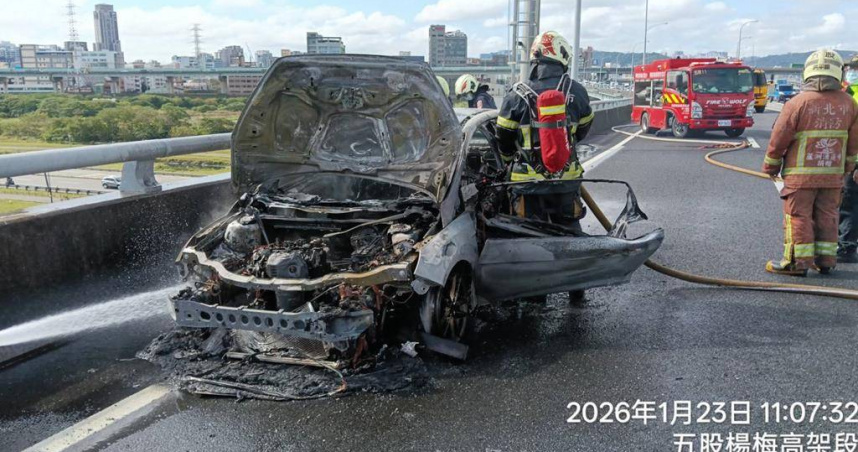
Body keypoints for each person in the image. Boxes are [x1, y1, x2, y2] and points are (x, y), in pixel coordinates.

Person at [494, 30, 594, 301]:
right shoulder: (577, 90)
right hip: (565, 180)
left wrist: (507, 162)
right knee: (571, 233)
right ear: (561, 56)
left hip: (526, 184)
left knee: (529, 239)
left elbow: (502, 137)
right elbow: (584, 129)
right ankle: (577, 291)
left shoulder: (516, 93)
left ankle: (535, 296)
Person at [762, 49, 858, 276]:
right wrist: (848, 168)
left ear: (808, 73)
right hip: (833, 176)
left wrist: (771, 166)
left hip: (800, 177)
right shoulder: (850, 104)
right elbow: (854, 143)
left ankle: (796, 264)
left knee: (798, 216)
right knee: (828, 215)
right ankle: (825, 260)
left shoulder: (798, 103)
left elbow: (779, 138)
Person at [836, 56, 858, 262]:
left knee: (850, 203)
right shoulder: (848, 93)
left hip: (856, 161)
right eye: (851, 68)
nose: (852, 72)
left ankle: (847, 246)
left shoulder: (853, 96)